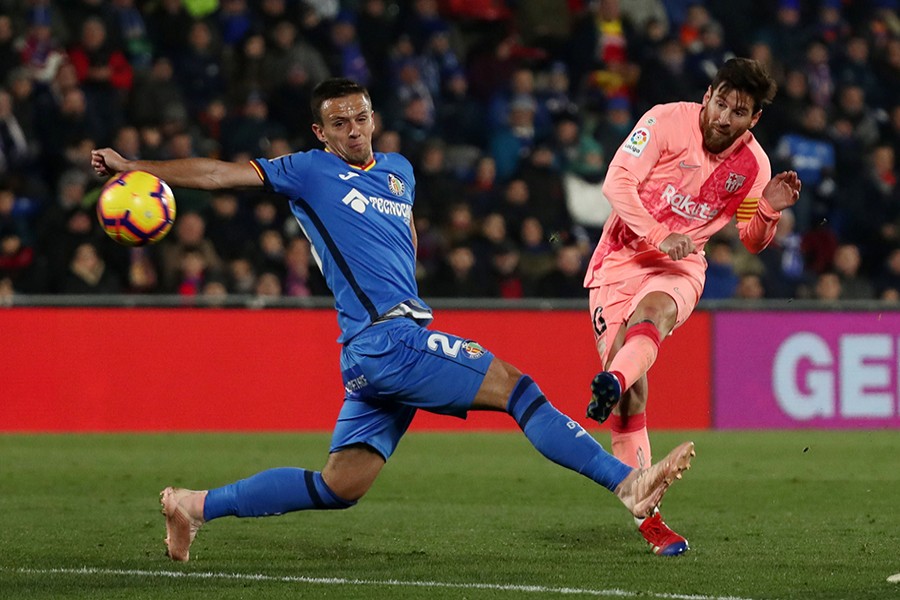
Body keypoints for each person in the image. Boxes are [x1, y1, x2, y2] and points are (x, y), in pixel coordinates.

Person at [91, 78, 695, 563]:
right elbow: (219, 173)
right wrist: (135, 165)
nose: (353, 131)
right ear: (319, 132)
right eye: (339, 123)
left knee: (339, 486)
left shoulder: (401, 170)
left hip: (384, 343)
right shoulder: (307, 171)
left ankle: (191, 505)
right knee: (518, 388)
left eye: (361, 118)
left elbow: (400, 242)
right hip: (388, 341)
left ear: (373, 117)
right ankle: (626, 483)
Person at [582, 58, 801, 556]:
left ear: (754, 120)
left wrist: (767, 209)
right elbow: (616, 184)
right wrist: (660, 233)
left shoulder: (755, 167)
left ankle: (612, 382)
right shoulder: (665, 121)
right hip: (619, 261)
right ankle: (646, 506)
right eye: (720, 102)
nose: (723, 117)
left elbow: (751, 239)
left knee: (656, 313)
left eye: (738, 112)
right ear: (708, 93)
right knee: (632, 405)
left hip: (680, 267)